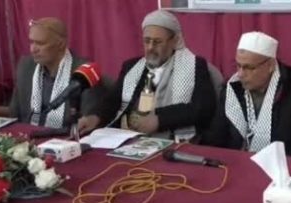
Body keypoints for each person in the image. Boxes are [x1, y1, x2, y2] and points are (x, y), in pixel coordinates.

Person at [77, 10, 215, 140]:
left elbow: (203, 108)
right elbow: (113, 100)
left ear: (174, 41)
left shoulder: (194, 66)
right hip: (129, 138)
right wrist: (95, 117)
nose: (150, 47)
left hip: (172, 141)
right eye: (147, 41)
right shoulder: (132, 66)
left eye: (157, 42)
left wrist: (160, 119)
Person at [202, 31, 291, 157]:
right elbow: (215, 137)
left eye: (249, 68)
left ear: (270, 65)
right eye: (238, 66)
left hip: (282, 164)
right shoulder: (233, 89)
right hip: (236, 162)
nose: (240, 74)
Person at [8, 17, 105, 128]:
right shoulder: (26, 66)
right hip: (27, 134)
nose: (33, 49)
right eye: (31, 42)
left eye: (40, 43)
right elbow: (13, 114)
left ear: (60, 44)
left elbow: (88, 119)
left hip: (67, 135)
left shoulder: (83, 73)